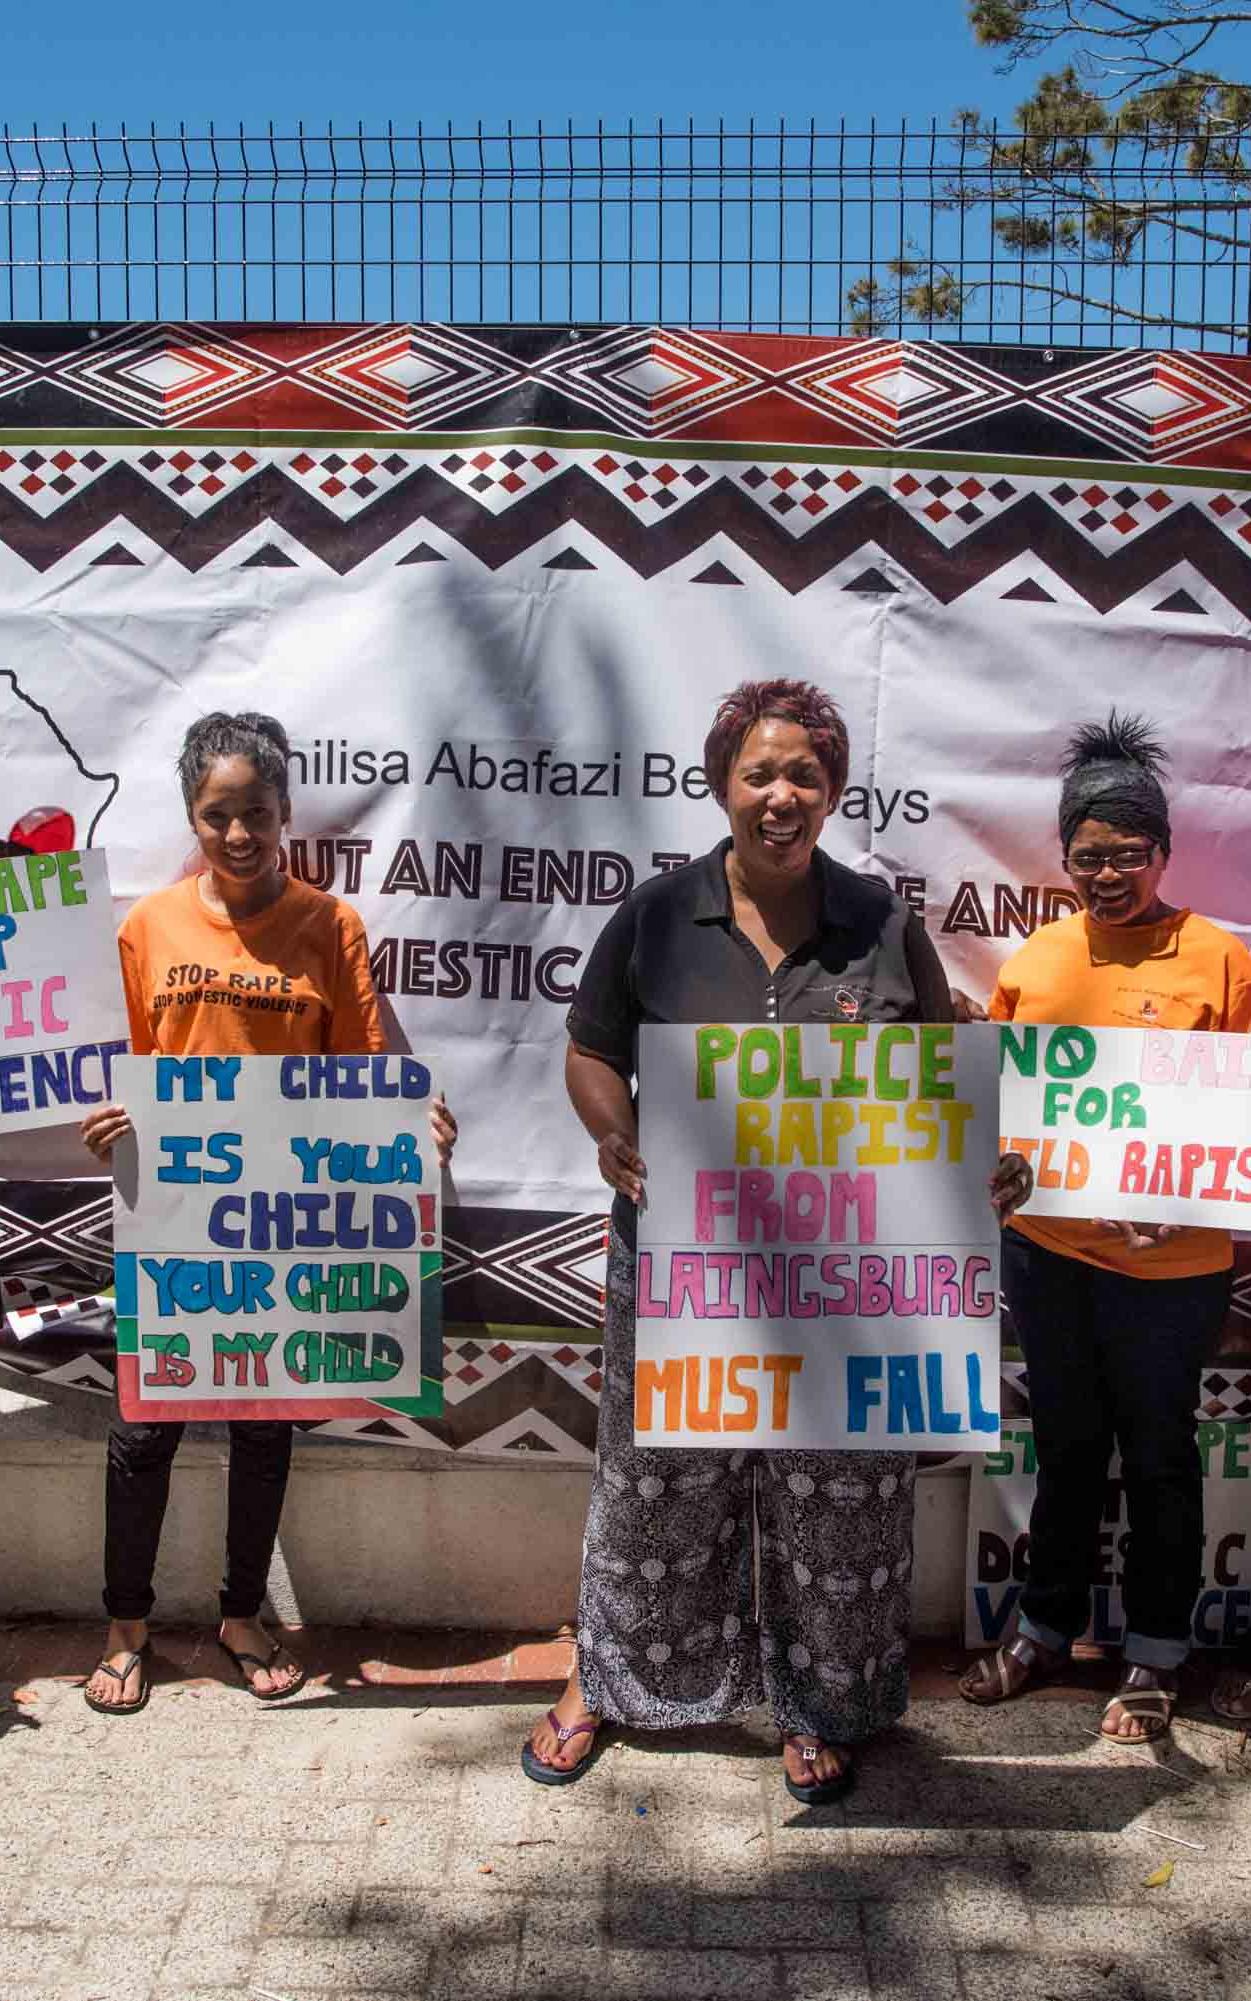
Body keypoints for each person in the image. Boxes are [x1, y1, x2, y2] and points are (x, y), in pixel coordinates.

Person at [522, 675, 963, 1802]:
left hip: (841, 1273)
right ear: (721, 784)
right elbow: (589, 1051)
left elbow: (939, 1076)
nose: (781, 795)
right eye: (758, 773)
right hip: (686, 1257)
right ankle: (611, 1681)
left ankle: (818, 1706)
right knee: (658, 1478)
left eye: (804, 775)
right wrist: (617, 1137)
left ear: (834, 789)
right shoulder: (659, 916)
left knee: (837, 1489)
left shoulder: (883, 922)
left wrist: (976, 1162)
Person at [79, 711, 456, 1715]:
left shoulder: (329, 925)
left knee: (263, 1422)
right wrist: (109, 1118)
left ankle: (240, 1617)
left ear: (286, 813)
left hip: (284, 1222)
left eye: (256, 813)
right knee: (142, 1428)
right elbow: (113, 1064)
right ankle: (126, 1630)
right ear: (193, 818)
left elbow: (366, 1067)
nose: (238, 833)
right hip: (168, 1209)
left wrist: (413, 1127)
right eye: (217, 815)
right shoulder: (147, 927)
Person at [960, 713, 1251, 1742]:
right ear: (1066, 856)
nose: (1110, 872)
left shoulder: (1221, 963)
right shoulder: (1037, 960)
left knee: (1161, 1452)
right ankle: (1045, 1628)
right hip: (1049, 1256)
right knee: (1070, 1448)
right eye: (1091, 855)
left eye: (1130, 853)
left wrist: (1196, 1204)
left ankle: (1158, 1653)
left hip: (1173, 1274)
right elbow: (997, 1103)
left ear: (1165, 852)